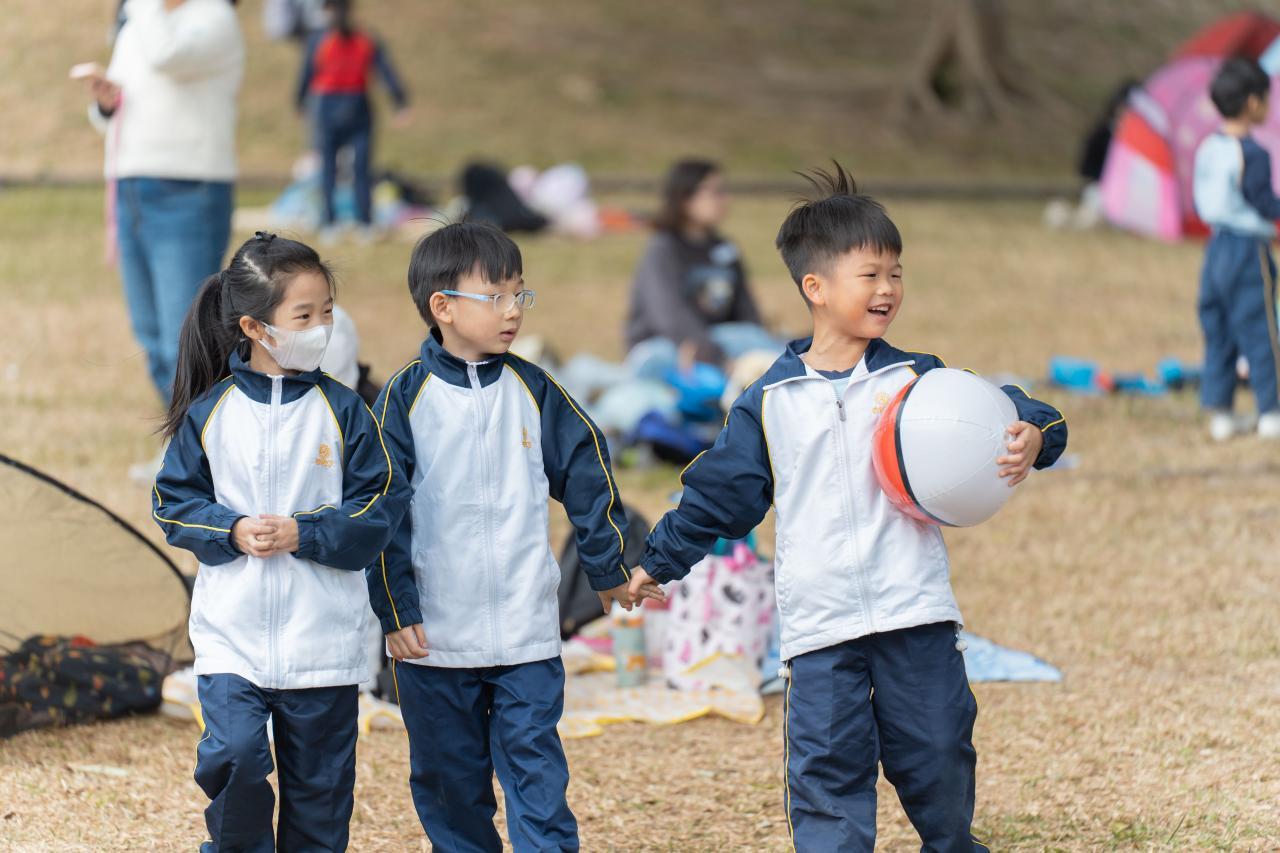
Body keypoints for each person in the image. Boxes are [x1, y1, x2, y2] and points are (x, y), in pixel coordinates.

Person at [627, 164, 1068, 850]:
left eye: (896, 273)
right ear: (817, 287)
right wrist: (656, 561)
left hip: (914, 611)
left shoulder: (916, 380)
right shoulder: (769, 401)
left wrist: (1037, 432)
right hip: (821, 627)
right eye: (870, 274)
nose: (888, 288)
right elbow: (716, 497)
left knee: (940, 751)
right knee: (827, 777)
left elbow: (1004, 407)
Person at [369, 222, 653, 851]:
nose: (513, 311)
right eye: (495, 296)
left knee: (538, 779)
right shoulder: (404, 400)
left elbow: (588, 474)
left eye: (519, 294)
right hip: (435, 640)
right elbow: (380, 514)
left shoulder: (535, 391)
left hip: (527, 633)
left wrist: (606, 569)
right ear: (443, 307)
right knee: (451, 788)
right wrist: (395, 609)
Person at [152, 232, 407, 851]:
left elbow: (381, 506)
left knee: (320, 799)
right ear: (254, 328)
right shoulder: (210, 412)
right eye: (304, 316)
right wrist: (231, 530)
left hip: (324, 642)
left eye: (327, 313)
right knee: (236, 758)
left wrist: (306, 532)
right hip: (231, 639)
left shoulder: (345, 411)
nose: (322, 328)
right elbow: (173, 503)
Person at [84, 0, 244, 405]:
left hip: (187, 193)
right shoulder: (142, 19)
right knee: (151, 338)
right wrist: (105, 103)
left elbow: (167, 55)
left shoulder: (215, 17)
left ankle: (205, 437)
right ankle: (186, 435)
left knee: (185, 341)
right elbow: (112, 111)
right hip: (131, 188)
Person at [1192, 57, 1280, 441]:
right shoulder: (1253, 153)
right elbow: (1264, 203)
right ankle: (1271, 413)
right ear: (1252, 102)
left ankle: (1222, 415)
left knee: (1219, 331)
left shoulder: (1208, 147)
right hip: (1247, 251)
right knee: (1261, 331)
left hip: (1215, 250)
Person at [625, 159, 774, 367]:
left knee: (755, 342)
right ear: (685, 197)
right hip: (666, 347)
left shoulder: (725, 248)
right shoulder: (663, 249)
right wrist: (717, 358)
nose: (726, 199)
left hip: (718, 346)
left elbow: (746, 313)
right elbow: (669, 316)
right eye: (716, 192)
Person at [296, 0, 409, 239]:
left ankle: (342, 222)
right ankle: (351, 222)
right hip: (344, 105)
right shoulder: (353, 38)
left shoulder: (336, 39)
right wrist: (399, 101)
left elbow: (307, 73)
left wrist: (300, 101)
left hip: (341, 106)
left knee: (341, 168)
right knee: (349, 168)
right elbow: (385, 71)